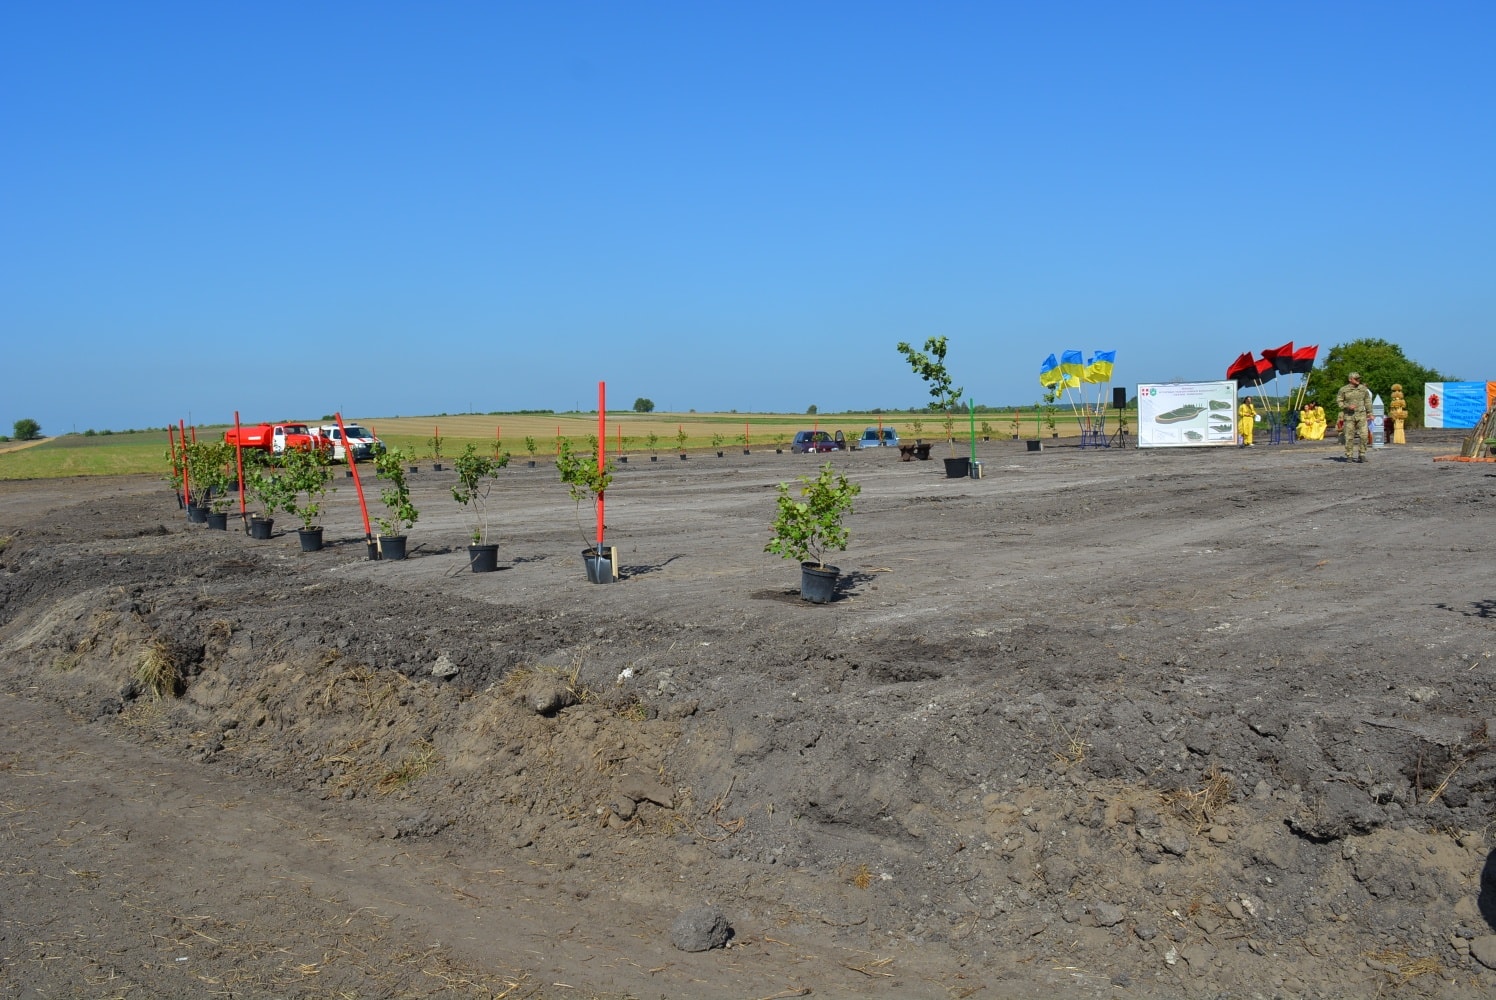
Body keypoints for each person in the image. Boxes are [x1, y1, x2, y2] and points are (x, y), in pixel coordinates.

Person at [1336, 372, 1375, 463]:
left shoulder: (1363, 389)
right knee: (1349, 436)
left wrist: (1370, 413)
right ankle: (1349, 455)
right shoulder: (1343, 390)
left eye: (1359, 379)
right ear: (1350, 379)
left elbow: (1367, 401)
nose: (1358, 380)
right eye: (1356, 379)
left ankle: (1362, 454)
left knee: (1364, 435)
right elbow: (1339, 401)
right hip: (1349, 416)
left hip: (1361, 415)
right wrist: (1347, 406)